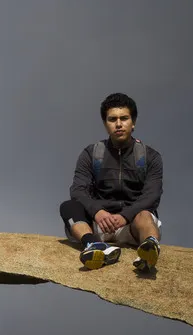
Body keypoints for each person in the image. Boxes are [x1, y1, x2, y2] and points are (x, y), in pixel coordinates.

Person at [60, 92, 163, 271]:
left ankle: (149, 249)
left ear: (133, 123)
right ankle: (94, 246)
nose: (118, 124)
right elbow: (78, 189)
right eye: (112, 119)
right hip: (100, 224)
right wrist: (97, 212)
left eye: (124, 118)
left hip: (132, 225)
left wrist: (125, 216)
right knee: (68, 206)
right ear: (105, 124)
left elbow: (152, 195)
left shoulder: (150, 157)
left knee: (145, 214)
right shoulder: (91, 154)